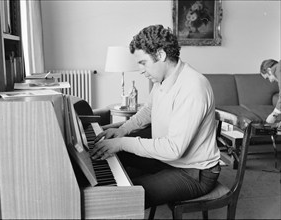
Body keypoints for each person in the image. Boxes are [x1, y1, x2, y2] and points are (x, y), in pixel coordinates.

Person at [91, 24, 221, 208]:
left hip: (195, 172)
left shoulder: (193, 87)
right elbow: (148, 110)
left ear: (160, 55)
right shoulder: (162, 80)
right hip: (169, 160)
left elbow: (174, 149)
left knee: (122, 198)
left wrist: (122, 143)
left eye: (143, 62)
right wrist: (122, 130)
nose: (141, 70)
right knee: (111, 157)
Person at [260, 59, 281, 124]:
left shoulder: (278, 70)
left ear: (269, 70)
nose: (271, 81)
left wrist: (274, 115)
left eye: (268, 78)